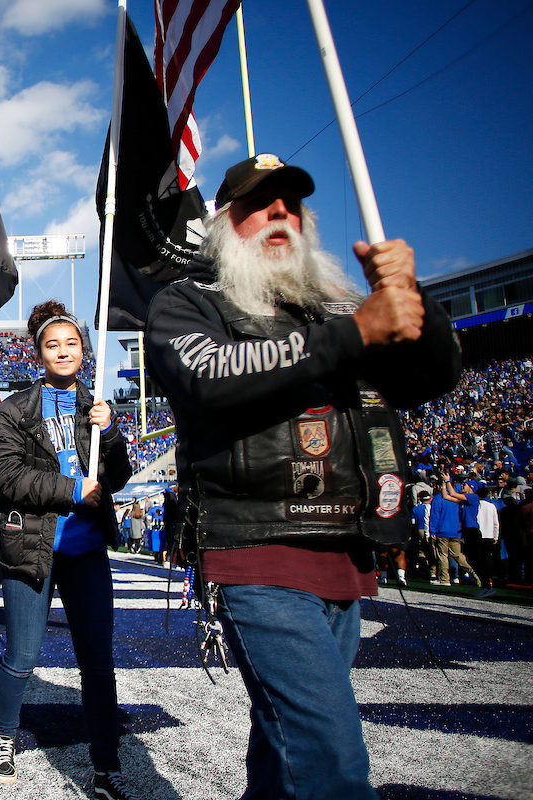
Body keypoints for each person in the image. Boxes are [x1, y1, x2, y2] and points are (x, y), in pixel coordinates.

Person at [144, 154, 461, 800]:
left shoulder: (339, 306)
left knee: (285, 737)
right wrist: (351, 335)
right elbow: (210, 377)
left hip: (345, 547)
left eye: (291, 201)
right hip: (256, 551)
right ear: (225, 225)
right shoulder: (186, 303)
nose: (279, 211)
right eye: (260, 203)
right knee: (332, 762)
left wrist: (412, 298)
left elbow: (434, 378)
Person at [0, 301, 133, 797]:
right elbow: (3, 477)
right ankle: (3, 735)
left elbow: (120, 476)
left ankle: (106, 762)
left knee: (97, 662)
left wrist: (111, 432)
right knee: (22, 656)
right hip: (31, 546)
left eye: (72, 343)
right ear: (38, 353)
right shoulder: (15, 409)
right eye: (53, 345)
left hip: (86, 550)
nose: (64, 351)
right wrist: (71, 490)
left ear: (85, 351)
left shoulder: (97, 405)